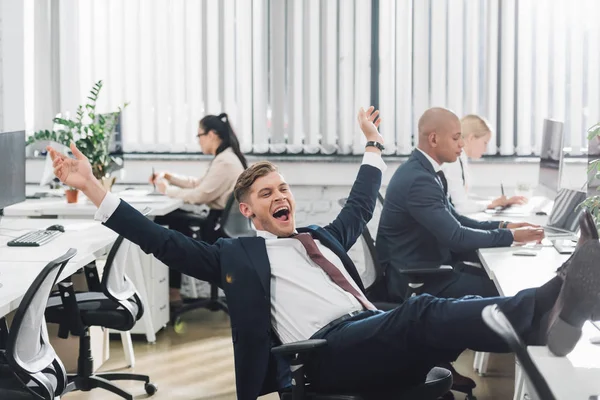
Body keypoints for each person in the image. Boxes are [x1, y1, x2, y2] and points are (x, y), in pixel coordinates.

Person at [47, 107, 598, 400]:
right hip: (324, 354)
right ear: (249, 210)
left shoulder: (320, 238)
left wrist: (371, 143)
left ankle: (554, 307)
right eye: (266, 194)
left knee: (449, 304)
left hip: (372, 328)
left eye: (283, 189)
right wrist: (96, 189)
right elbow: (162, 240)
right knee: (425, 311)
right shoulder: (235, 256)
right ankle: (548, 310)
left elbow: (361, 201)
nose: (280, 197)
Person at [377, 108, 545, 300]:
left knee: (502, 279)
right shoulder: (419, 181)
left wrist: (504, 226)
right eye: (456, 138)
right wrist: (511, 236)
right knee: (510, 290)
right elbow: (457, 236)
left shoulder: (425, 172)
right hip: (419, 282)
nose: (462, 144)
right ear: (433, 139)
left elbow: (457, 220)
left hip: (429, 270)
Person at [151, 113, 247, 308]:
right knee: (176, 221)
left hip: (217, 227)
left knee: (170, 224)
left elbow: (201, 195)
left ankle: (172, 292)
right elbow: (200, 184)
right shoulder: (224, 157)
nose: (199, 141)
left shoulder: (225, 161)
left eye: (199, 136)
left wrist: (167, 190)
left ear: (211, 134)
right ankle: (173, 292)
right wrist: (170, 177)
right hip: (219, 222)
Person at [442, 114, 527, 214]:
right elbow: (460, 207)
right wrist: (490, 204)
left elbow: (462, 199)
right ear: (471, 138)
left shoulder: (460, 159)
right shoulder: (453, 161)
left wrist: (495, 202)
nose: (485, 149)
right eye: (485, 143)